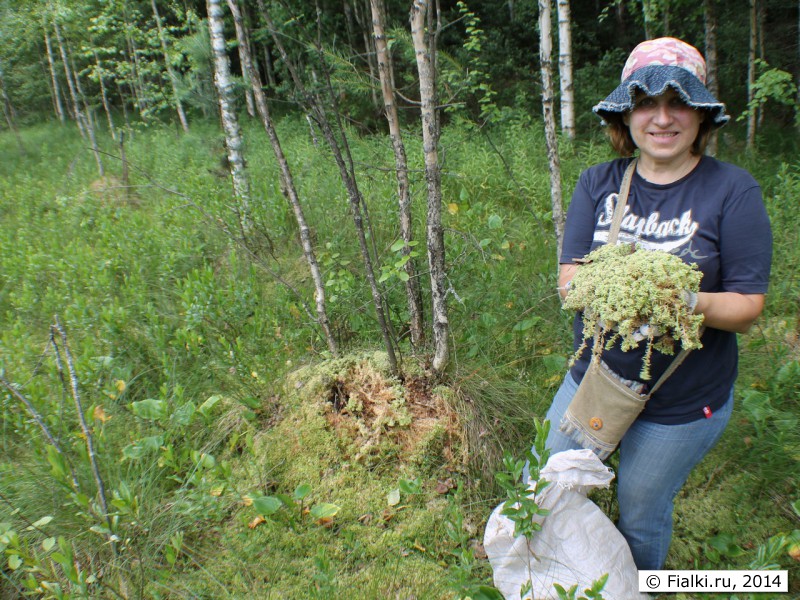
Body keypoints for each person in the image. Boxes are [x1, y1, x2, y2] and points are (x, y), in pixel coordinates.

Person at [541, 37, 773, 570]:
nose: (662, 118)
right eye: (647, 103)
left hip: (682, 403)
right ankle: (554, 573)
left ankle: (639, 583)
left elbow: (746, 305)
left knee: (641, 510)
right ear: (627, 115)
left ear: (700, 115)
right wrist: (619, 282)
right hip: (595, 378)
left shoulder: (732, 191)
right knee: (546, 487)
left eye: (679, 102)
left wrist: (681, 299)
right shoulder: (599, 182)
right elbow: (569, 280)